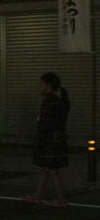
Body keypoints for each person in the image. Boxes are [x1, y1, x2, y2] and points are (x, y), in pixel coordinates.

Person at [27, 72, 70, 206]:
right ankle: (38, 195)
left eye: (41, 83)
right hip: (55, 139)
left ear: (48, 85)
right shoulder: (58, 101)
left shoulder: (50, 102)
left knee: (51, 169)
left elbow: (46, 124)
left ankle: (61, 199)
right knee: (45, 168)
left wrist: (39, 141)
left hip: (49, 140)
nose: (39, 86)